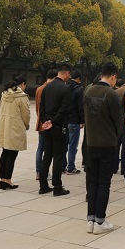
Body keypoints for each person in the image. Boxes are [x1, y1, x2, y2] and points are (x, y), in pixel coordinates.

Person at [84, 62, 123, 234]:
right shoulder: (111, 94)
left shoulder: (88, 91)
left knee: (93, 182)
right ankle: (100, 221)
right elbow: (118, 122)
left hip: (91, 143)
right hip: (107, 144)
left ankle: (91, 219)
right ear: (113, 76)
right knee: (104, 183)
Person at [39, 63, 71, 196]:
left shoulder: (47, 87)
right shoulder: (65, 88)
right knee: (58, 157)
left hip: (47, 126)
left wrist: (45, 121)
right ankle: (57, 187)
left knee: (47, 156)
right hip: (58, 127)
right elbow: (64, 109)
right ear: (67, 73)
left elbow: (41, 106)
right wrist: (53, 122)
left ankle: (43, 185)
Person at [0, 75, 30, 190]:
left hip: (4, 126)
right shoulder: (22, 96)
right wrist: (26, 124)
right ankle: (8, 180)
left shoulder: (4, 94)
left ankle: (2, 180)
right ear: (23, 84)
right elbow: (26, 114)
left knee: (5, 153)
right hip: (15, 127)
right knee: (12, 154)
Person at [35, 69, 57, 180]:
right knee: (47, 150)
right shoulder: (50, 89)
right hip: (48, 123)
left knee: (40, 148)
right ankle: (43, 172)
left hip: (40, 122)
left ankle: (38, 172)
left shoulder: (39, 89)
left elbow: (37, 107)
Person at [65, 69, 84, 174]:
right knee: (73, 145)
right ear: (78, 79)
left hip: (65, 120)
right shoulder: (79, 90)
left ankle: (62, 165)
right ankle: (71, 166)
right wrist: (82, 120)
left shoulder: (65, 86)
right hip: (74, 120)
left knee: (64, 144)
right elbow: (80, 107)